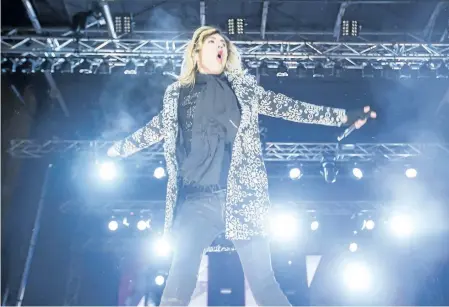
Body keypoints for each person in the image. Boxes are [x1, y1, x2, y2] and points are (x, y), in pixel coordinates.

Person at [107, 25, 377, 306]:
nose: (220, 46)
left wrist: (342, 117)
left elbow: (289, 107)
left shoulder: (245, 90)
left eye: (223, 43)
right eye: (212, 42)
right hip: (196, 201)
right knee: (179, 279)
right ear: (197, 51)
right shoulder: (177, 94)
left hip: (242, 198)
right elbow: (156, 128)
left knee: (264, 283)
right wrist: (120, 149)